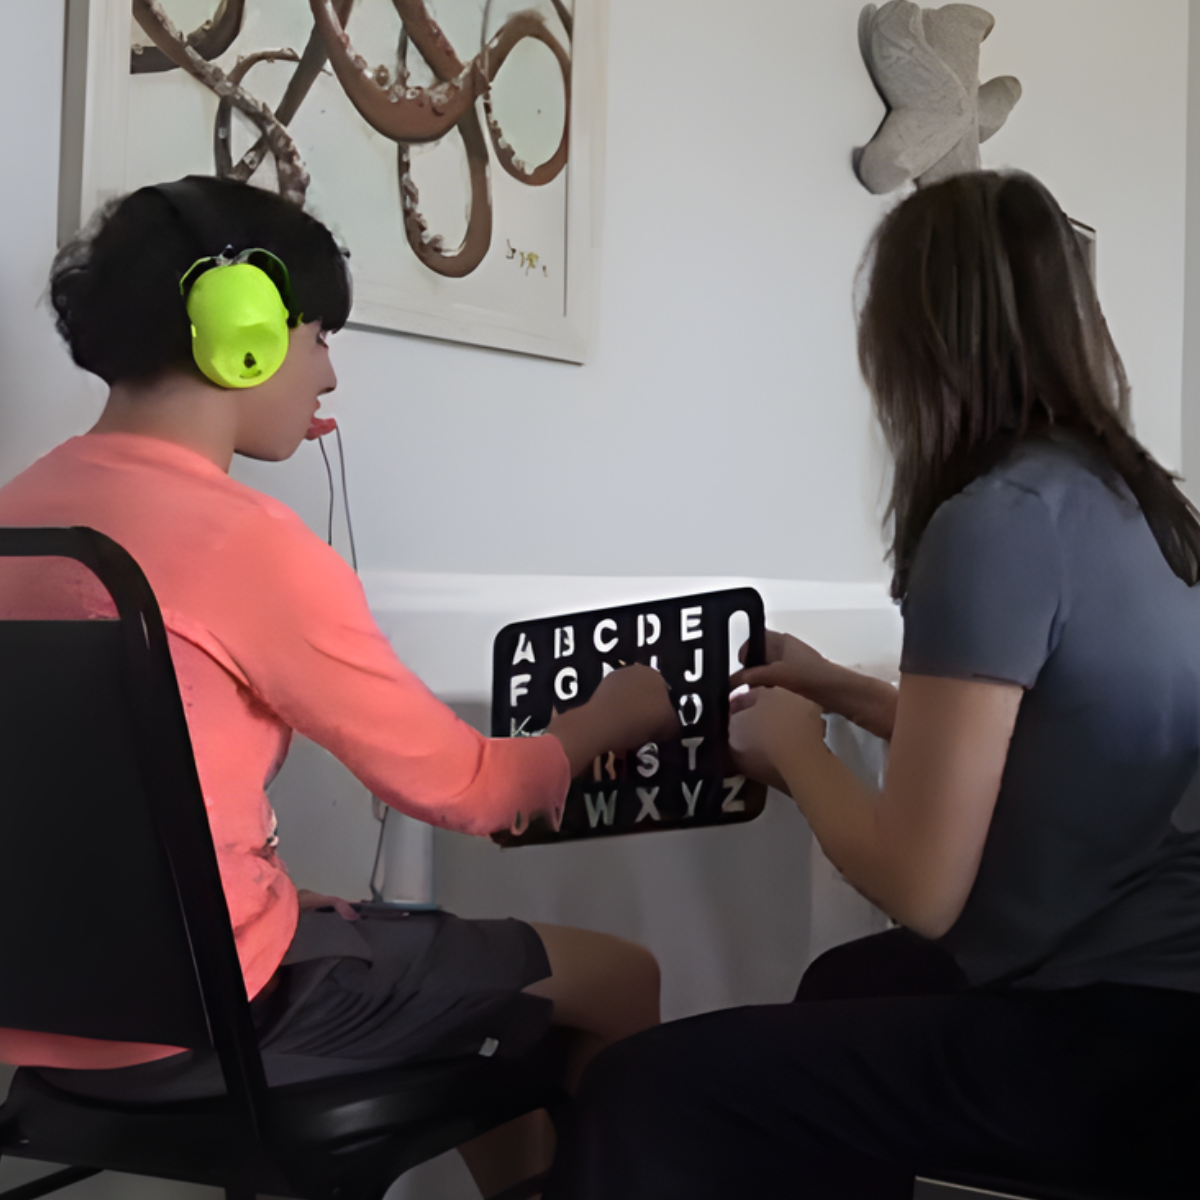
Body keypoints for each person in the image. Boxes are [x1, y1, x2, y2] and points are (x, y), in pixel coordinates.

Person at [0, 175, 679, 1199]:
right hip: (220, 1024)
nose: (326, 374)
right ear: (245, 338)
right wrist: (603, 723)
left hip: (36, 1031)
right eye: (319, 336)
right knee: (621, 977)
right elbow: (478, 792)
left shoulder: (20, 513)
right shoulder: (246, 546)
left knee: (448, 964)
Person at [543, 169, 1200, 1199]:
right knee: (842, 985)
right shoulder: (1142, 506)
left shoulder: (996, 522)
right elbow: (1042, 750)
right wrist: (842, 691)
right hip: (1159, 992)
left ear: (913, 341)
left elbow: (922, 888)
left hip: (1117, 1041)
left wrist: (794, 754)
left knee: (642, 1090)